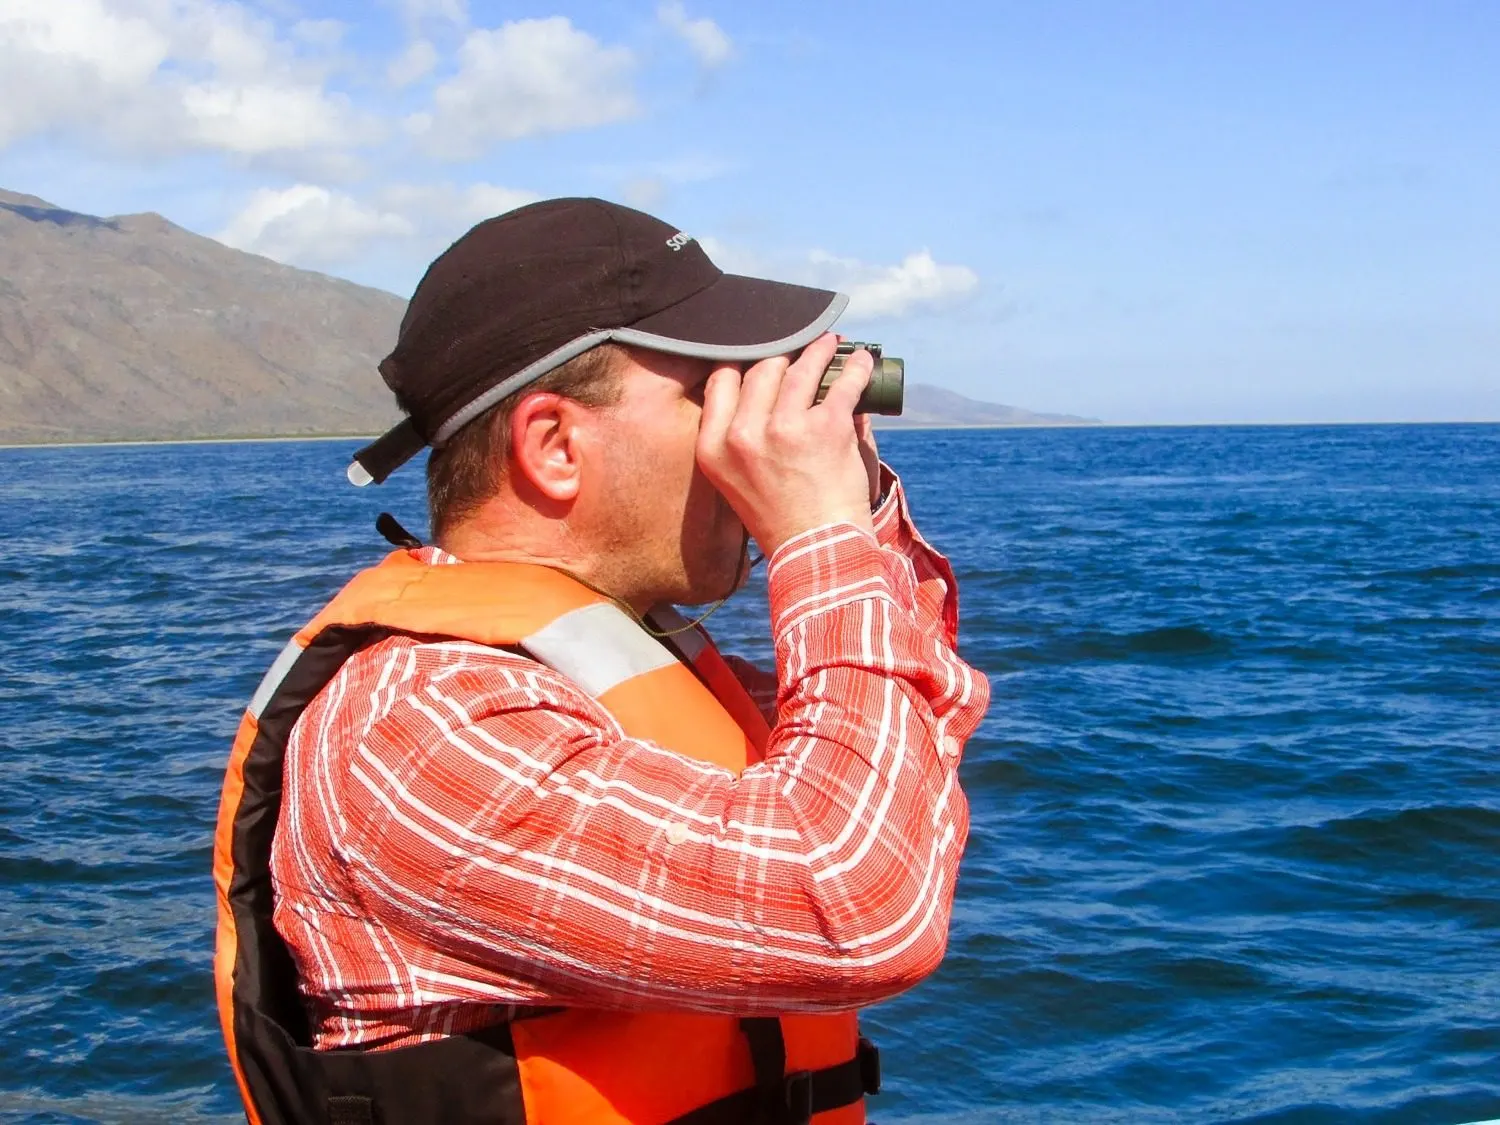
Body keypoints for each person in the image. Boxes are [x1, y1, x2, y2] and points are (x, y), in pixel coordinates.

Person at [213, 198, 990, 1125]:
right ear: (554, 446)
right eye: (717, 394)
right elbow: (861, 905)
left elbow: (897, 758)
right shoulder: (416, 728)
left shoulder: (627, 669)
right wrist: (819, 533)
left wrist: (859, 519)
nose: (744, 436)